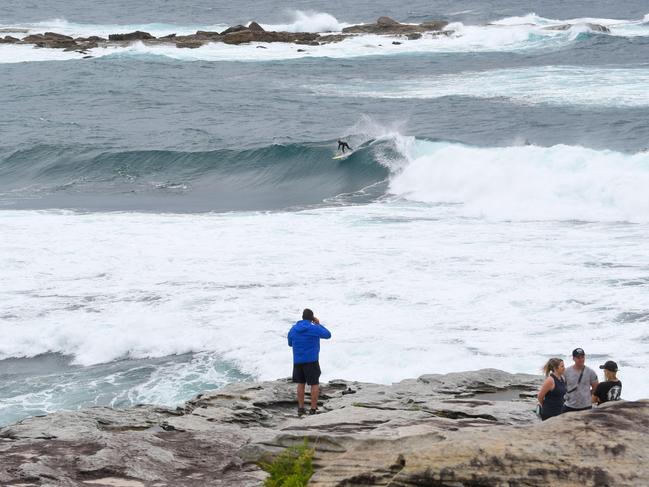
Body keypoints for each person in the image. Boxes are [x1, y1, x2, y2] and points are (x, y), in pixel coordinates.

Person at [288, 308, 332, 416]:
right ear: (312, 318)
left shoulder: (293, 329)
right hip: (311, 360)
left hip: (298, 361)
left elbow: (290, 343)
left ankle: (301, 408)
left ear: (302, 317)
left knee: (300, 384)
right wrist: (317, 324)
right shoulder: (314, 328)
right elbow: (328, 335)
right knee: (314, 384)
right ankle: (313, 409)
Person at [562, 348, 598, 413]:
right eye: (578, 357)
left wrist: (586, 396)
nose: (581, 359)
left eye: (582, 357)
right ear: (573, 358)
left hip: (586, 406)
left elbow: (595, 387)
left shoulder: (591, 372)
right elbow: (561, 386)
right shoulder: (566, 372)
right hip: (570, 406)